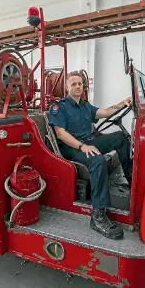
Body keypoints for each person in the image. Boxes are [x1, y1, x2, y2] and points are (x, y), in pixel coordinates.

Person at [48, 71, 133, 240]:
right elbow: (60, 134)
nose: (78, 86)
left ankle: (132, 181)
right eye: (74, 84)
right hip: (71, 148)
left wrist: (123, 103)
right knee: (98, 160)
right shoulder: (59, 107)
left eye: (80, 84)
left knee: (121, 137)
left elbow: (107, 112)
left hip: (87, 142)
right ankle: (98, 215)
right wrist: (82, 146)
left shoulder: (86, 106)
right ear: (67, 87)